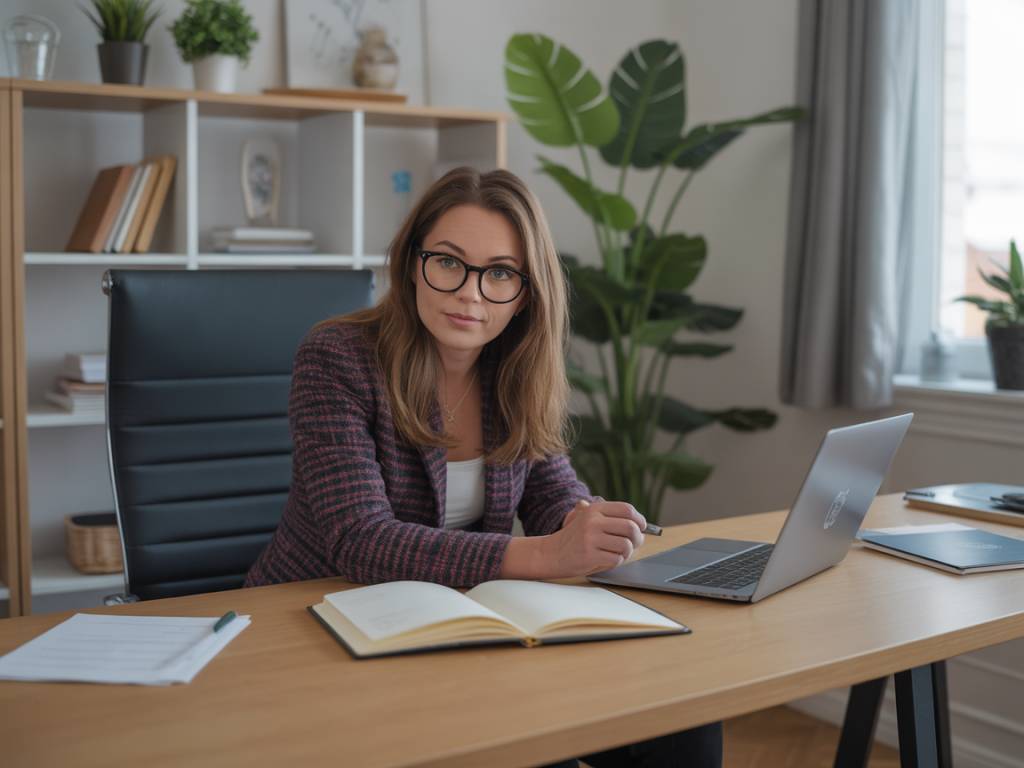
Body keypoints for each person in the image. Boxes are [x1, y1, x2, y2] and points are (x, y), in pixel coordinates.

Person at [245, 167, 722, 768]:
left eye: (499, 273)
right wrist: (549, 555)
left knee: (681, 715)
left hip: (457, 626)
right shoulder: (338, 358)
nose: (470, 292)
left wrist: (590, 524)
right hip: (318, 622)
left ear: (526, 292)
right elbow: (359, 541)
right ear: (411, 261)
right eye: (448, 261)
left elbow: (553, 494)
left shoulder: (512, 370)